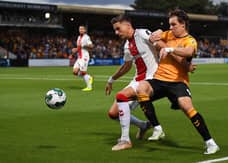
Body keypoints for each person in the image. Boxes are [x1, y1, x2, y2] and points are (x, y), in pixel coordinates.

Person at [136, 9, 220, 155]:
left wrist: (169, 49)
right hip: (159, 79)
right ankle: (157, 128)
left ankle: (210, 143)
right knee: (141, 88)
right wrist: (157, 33)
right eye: (169, 24)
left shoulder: (190, 40)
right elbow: (154, 36)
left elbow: (188, 52)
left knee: (186, 106)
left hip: (178, 82)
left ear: (183, 25)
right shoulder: (168, 33)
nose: (171, 27)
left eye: (174, 24)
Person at [105, 14, 166, 151]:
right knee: (113, 114)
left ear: (127, 25)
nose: (116, 32)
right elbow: (126, 66)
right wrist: (111, 79)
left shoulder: (142, 33)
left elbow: (161, 45)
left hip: (150, 80)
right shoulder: (127, 45)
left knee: (121, 96)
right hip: (137, 80)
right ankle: (143, 125)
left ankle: (125, 140)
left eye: (118, 28)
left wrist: (171, 53)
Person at [72, 25, 94, 91]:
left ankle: (89, 87)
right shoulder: (78, 37)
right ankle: (89, 77)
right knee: (75, 72)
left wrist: (85, 45)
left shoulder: (86, 37)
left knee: (83, 72)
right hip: (79, 57)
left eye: (82, 29)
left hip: (84, 56)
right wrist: (75, 49)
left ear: (85, 30)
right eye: (80, 29)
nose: (80, 30)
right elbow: (79, 47)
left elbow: (91, 46)